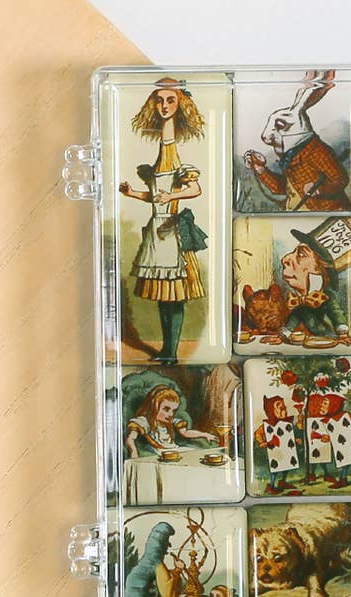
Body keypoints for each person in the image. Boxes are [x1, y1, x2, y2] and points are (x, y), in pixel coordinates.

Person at [119, 77, 208, 364]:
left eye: (170, 100)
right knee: (162, 294)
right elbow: (154, 196)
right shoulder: (160, 161)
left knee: (175, 294)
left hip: (172, 232)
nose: (164, 106)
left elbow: (195, 189)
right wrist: (132, 193)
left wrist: (171, 195)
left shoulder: (174, 158)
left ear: (180, 104)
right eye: (159, 101)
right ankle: (166, 352)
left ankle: (171, 351)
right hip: (156, 231)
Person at [261, 228, 351, 346]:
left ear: (319, 270)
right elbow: (295, 317)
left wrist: (343, 335)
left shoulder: (326, 296)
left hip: (338, 340)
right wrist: (282, 336)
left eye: (301, 254)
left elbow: (336, 312)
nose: (285, 259)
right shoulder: (302, 300)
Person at [125, 385, 217, 458]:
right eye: (166, 409)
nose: (170, 414)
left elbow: (186, 432)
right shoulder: (144, 421)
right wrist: (133, 452)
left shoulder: (171, 421)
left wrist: (205, 435)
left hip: (174, 450)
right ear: (154, 406)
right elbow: (130, 438)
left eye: (173, 411)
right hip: (161, 453)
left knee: (195, 454)